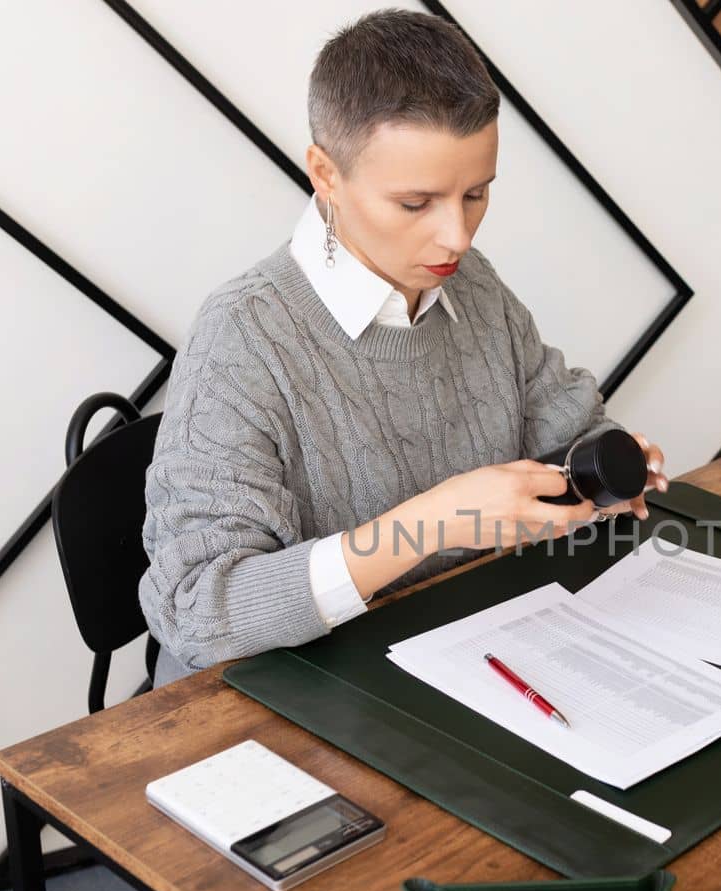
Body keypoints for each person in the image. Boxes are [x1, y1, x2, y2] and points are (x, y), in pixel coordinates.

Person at [140, 8, 667, 688]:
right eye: (416, 203)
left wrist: (607, 464)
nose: (457, 236)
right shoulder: (242, 338)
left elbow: (569, 429)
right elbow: (196, 610)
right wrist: (429, 523)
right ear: (325, 175)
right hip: (271, 702)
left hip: (452, 658)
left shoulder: (470, 286)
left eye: (476, 194)